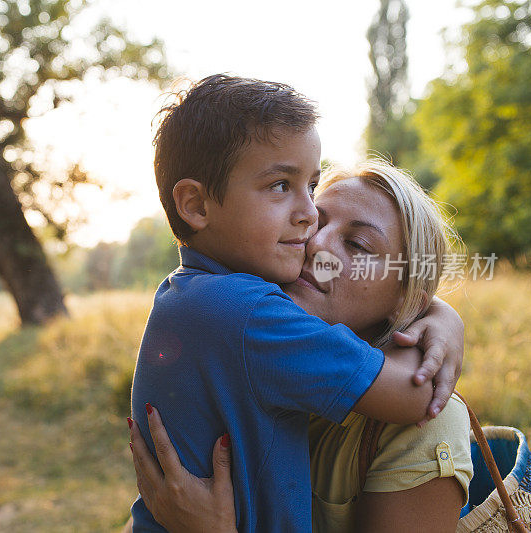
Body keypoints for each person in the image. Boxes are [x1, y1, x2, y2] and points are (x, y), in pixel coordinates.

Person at [129, 74, 464, 532]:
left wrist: (439, 314)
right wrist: (442, 317)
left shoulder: (189, 295)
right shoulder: (249, 316)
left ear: (405, 296)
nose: (313, 234)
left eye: (358, 245)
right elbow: (415, 393)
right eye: (281, 187)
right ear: (197, 205)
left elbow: (425, 403)